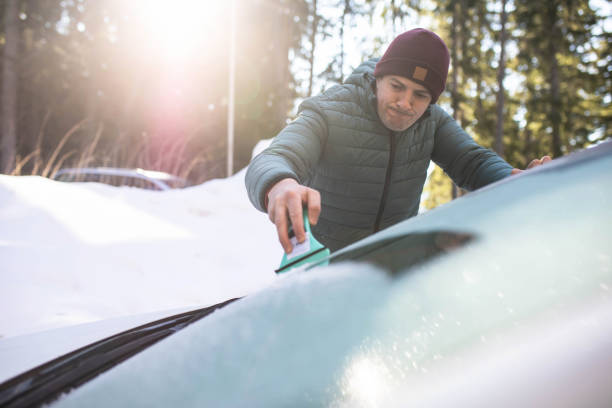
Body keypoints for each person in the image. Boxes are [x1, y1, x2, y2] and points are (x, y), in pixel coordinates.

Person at [245, 28, 550, 254]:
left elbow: (472, 162)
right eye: (396, 86)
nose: (405, 103)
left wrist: (514, 179)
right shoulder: (330, 110)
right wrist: (280, 184)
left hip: (389, 267)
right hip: (323, 268)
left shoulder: (432, 122)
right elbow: (276, 156)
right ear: (378, 77)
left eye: (420, 95)